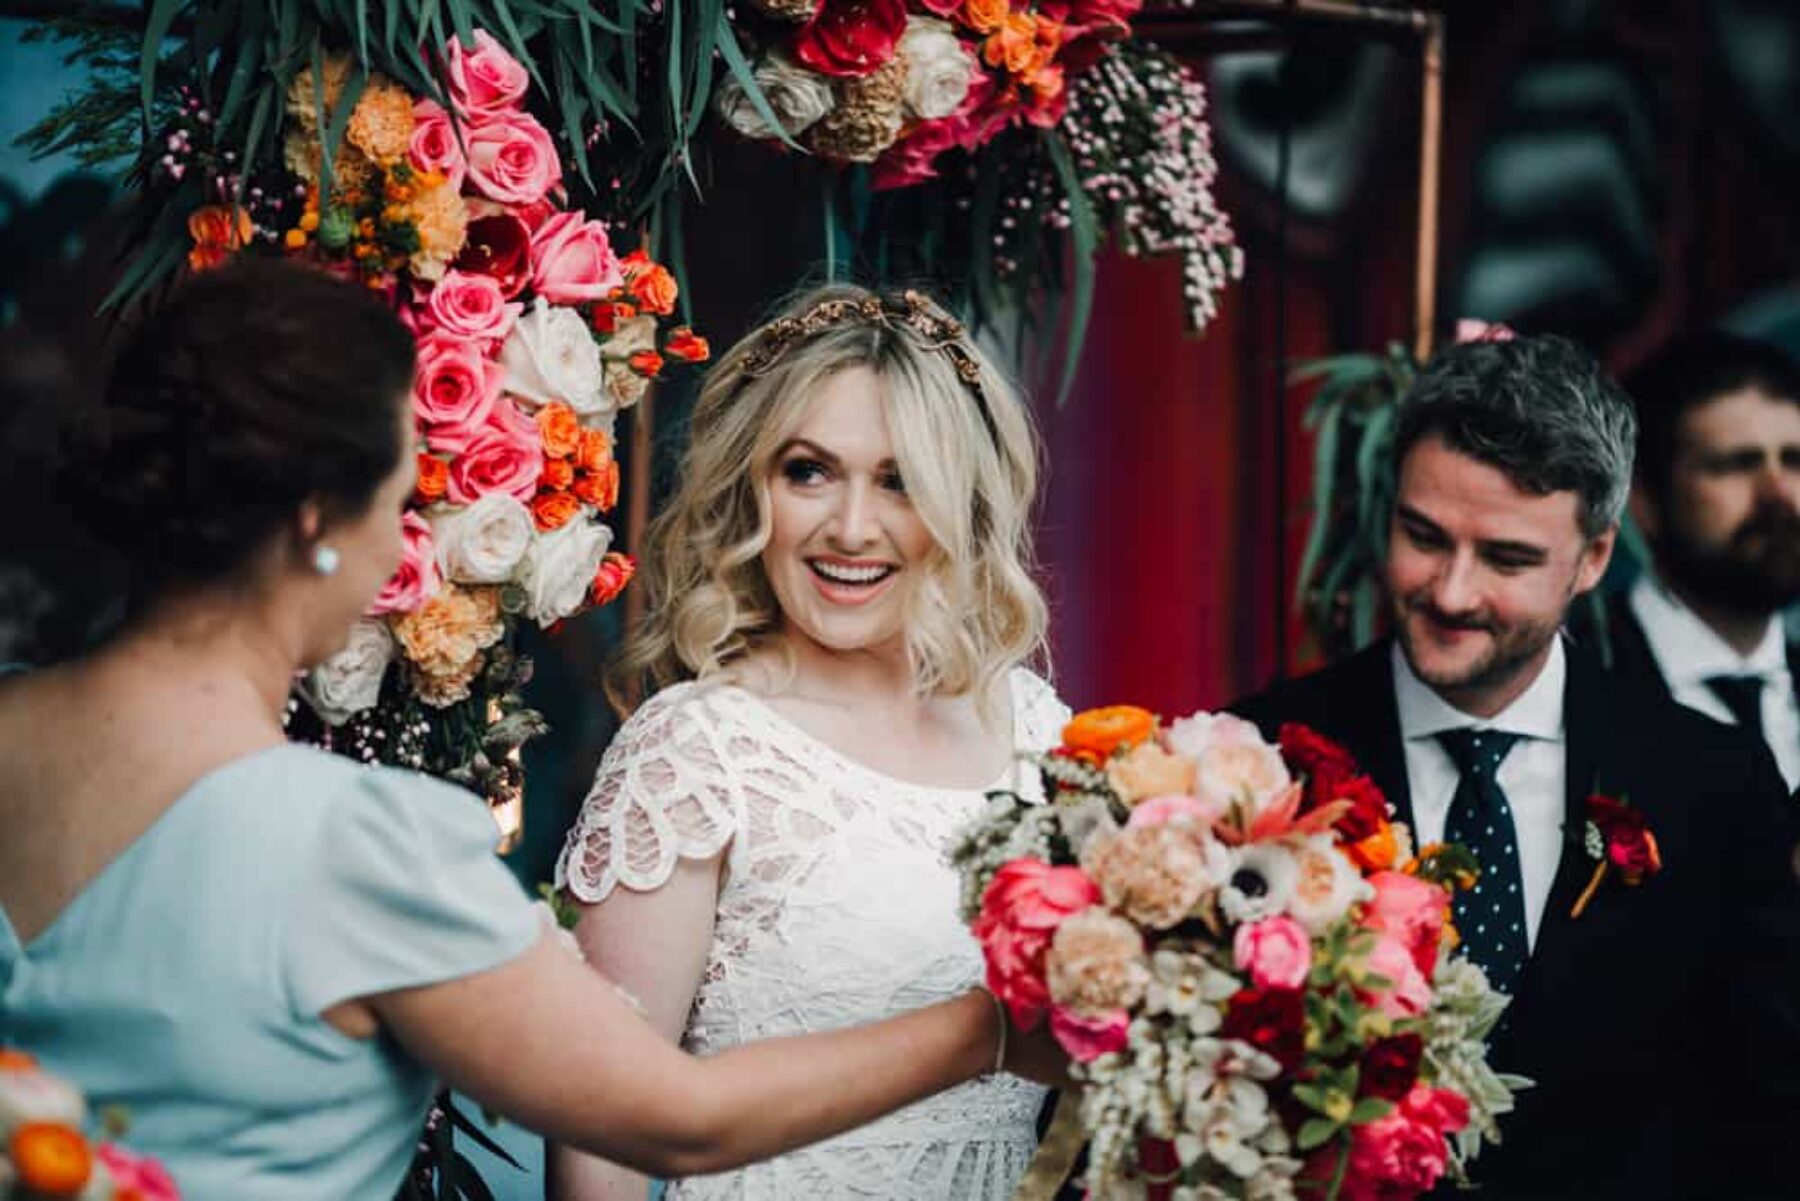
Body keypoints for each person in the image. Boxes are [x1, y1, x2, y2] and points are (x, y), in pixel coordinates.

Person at [0, 260, 1063, 1201]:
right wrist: (999, 1028)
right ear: (319, 521)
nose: (410, 537)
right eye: (405, 493)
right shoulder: (360, 842)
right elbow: (670, 1117)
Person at [1231, 333, 1800, 1199]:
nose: (1452, 592)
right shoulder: (1258, 757)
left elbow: (1766, 1110)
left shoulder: (1713, 781)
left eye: (1507, 558)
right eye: (1424, 536)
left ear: (1594, 558)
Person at [549, 284, 1067, 1199]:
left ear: (961, 504)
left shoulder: (1034, 730)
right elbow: (602, 1133)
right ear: (754, 485)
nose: (851, 528)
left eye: (900, 480)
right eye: (809, 471)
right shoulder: (696, 751)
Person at [1604, 331, 1800, 788]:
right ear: (1644, 502)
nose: (1779, 494)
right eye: (1735, 464)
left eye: (1793, 461)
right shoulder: (1581, 679)